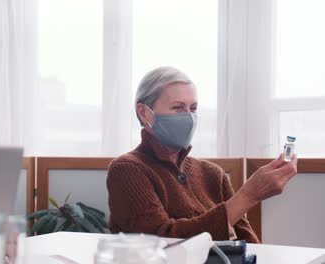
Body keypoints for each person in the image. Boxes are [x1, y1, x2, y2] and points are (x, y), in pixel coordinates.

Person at [107, 66, 297, 243]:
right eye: (177, 107)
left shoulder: (212, 173)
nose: (188, 116)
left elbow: (248, 245)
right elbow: (161, 239)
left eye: (193, 108)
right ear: (144, 113)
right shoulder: (127, 170)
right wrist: (249, 195)